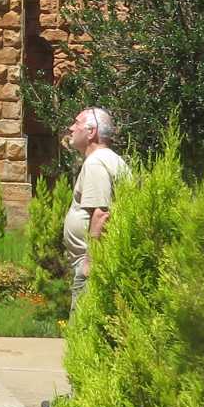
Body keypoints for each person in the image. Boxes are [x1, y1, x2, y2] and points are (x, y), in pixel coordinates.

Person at [62, 106, 129, 311]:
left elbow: (102, 214)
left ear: (91, 132)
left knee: (80, 330)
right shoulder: (112, 159)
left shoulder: (96, 163)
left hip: (92, 263)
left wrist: (89, 263)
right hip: (101, 260)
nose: (71, 128)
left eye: (77, 123)